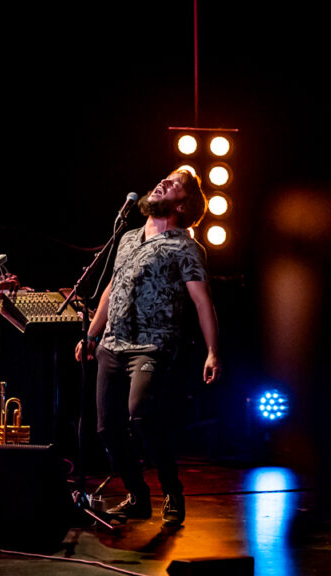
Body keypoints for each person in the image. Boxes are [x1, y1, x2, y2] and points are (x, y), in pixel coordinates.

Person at [75, 169, 221, 527]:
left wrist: (213, 350)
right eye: (164, 178)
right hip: (112, 343)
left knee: (141, 415)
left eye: (173, 184)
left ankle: (172, 491)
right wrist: (92, 335)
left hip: (152, 345)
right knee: (107, 428)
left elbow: (203, 302)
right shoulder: (127, 238)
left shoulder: (186, 246)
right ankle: (137, 497)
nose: (162, 183)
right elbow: (111, 289)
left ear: (183, 204)